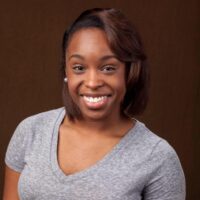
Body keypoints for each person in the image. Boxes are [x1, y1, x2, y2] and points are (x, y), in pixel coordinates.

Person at [3, 8, 186, 200]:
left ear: (130, 72)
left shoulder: (157, 157)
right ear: (66, 71)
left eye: (108, 68)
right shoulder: (31, 131)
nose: (92, 82)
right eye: (79, 68)